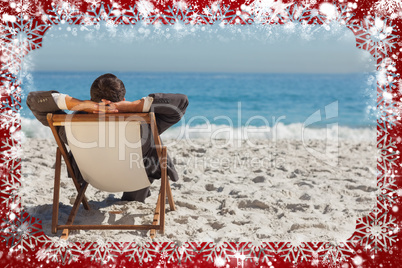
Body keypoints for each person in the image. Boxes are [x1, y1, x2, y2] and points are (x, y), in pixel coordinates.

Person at [26, 73, 189, 202]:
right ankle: (133, 200)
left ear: (90, 100)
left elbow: (34, 101)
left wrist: (80, 105)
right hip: (135, 178)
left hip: (91, 176)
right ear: (123, 100)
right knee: (149, 154)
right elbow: (181, 102)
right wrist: (134, 106)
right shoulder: (143, 125)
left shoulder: (69, 126)